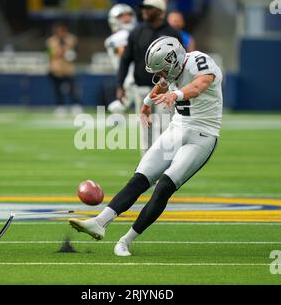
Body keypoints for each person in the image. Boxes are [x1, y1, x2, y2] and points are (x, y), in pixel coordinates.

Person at [69, 36, 223, 256]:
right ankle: (99, 223)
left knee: (164, 187)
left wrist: (175, 94)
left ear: (173, 61)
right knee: (140, 178)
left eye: (162, 70)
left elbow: (199, 85)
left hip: (203, 136)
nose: (160, 76)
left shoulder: (200, 61)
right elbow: (163, 84)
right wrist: (146, 104)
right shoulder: (173, 70)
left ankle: (126, 240)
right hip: (177, 129)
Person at [116, 0, 182, 155]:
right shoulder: (136, 32)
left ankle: (165, 168)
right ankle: (145, 170)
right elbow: (125, 60)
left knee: (165, 128)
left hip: (165, 90)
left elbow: (181, 61)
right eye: (144, 8)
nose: (144, 11)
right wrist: (120, 85)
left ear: (160, 11)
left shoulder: (172, 33)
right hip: (142, 89)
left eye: (149, 8)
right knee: (146, 131)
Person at [46, 23, 81, 116]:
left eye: (62, 30)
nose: (61, 33)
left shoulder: (72, 39)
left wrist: (72, 54)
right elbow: (49, 54)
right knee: (57, 89)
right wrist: (59, 53)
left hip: (68, 68)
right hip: (56, 68)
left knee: (72, 88)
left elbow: (77, 51)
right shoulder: (51, 41)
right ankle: (59, 106)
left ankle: (75, 105)